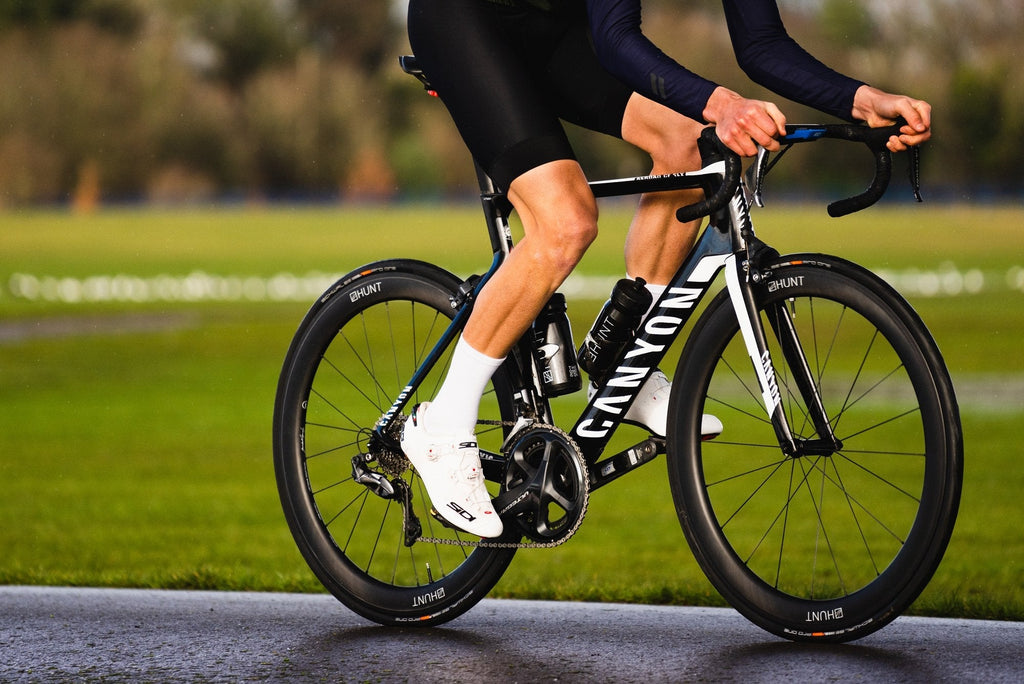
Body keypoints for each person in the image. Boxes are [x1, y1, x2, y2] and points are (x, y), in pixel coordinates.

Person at [401, 0, 932, 538]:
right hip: (465, 18)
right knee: (567, 222)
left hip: (551, 29)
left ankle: (622, 364)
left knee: (687, 143)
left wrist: (861, 100)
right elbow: (615, 39)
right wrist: (725, 105)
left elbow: (762, 45)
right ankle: (440, 426)